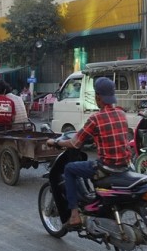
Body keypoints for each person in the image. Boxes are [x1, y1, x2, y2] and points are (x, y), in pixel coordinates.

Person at [46, 77, 130, 227]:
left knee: (69, 169)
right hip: (125, 165)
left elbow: (74, 142)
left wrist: (56, 142)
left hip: (106, 167)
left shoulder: (96, 118)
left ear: (98, 97)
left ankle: (74, 215)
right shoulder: (121, 114)